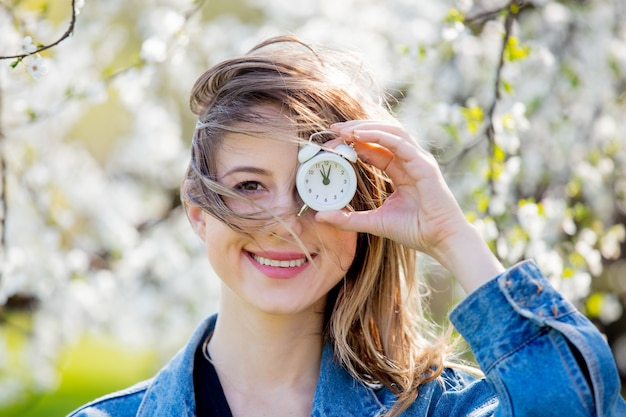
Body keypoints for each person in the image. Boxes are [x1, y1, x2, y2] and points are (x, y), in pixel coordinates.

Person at [68, 35, 626, 417]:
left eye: (318, 186)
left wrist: (449, 233)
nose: (286, 222)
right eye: (249, 186)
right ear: (197, 212)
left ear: (361, 213)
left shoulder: (440, 408)